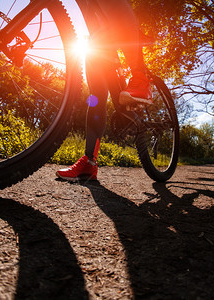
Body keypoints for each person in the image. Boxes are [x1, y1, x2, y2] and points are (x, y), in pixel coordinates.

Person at [56, 0, 152, 182]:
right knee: (96, 98)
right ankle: (89, 163)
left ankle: (140, 76)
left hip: (115, 28)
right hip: (97, 41)